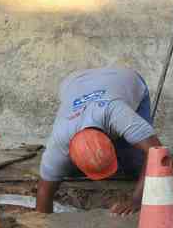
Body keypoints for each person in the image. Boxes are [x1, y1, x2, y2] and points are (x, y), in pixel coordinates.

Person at [36, 67, 163, 216]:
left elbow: (157, 152)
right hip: (75, 80)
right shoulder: (58, 145)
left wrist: (136, 200)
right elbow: (44, 191)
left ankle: (125, 155)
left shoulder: (117, 114)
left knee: (136, 165)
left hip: (123, 77)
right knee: (64, 171)